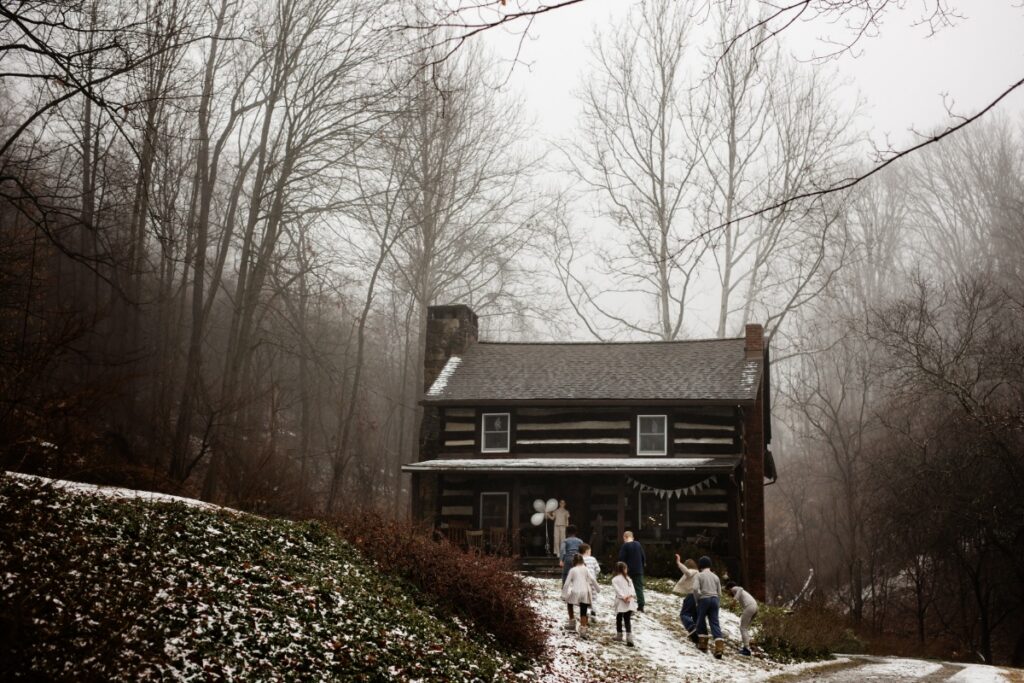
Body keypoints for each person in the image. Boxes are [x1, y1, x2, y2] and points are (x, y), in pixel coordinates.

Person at [562, 553, 600, 638]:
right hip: (585, 591)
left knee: (569, 604)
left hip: (575, 591)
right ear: (582, 561)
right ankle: (583, 630)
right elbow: (593, 579)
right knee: (583, 610)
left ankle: (572, 622)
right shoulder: (586, 569)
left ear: (574, 562)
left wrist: (564, 595)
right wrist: (598, 589)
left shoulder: (572, 570)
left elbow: (567, 583)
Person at [694, 555, 725, 659]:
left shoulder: (699, 575)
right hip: (715, 599)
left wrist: (697, 599)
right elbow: (720, 592)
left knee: (701, 620)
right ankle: (719, 648)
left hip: (704, 599)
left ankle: (703, 644)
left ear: (700, 566)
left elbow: (695, 589)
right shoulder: (715, 577)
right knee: (715, 622)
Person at [725, 579, 758, 656]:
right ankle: (747, 647)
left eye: (728, 591)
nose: (728, 593)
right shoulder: (741, 593)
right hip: (755, 607)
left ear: (730, 588)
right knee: (745, 628)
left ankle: (746, 649)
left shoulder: (734, 588)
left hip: (750, 607)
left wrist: (734, 601)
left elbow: (740, 588)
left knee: (743, 628)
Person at [673, 555, 700, 644]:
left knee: (684, 614)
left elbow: (687, 572)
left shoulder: (692, 571)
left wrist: (678, 563)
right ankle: (698, 636)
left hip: (692, 595)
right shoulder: (699, 574)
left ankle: (691, 627)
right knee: (695, 616)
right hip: (699, 597)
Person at [617, 531, 646, 612]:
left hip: (628, 571)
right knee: (639, 588)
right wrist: (642, 566)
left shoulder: (625, 546)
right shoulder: (638, 544)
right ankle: (641, 605)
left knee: (627, 588)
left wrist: (620, 569)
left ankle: (629, 605)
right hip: (638, 570)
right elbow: (643, 556)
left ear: (625, 537)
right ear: (632, 537)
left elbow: (621, 558)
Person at [612, 561, 637, 647]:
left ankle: (619, 635)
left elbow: (618, 590)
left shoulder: (615, 579)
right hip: (628, 601)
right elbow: (633, 590)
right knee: (627, 619)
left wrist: (624, 597)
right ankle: (629, 637)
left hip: (621, 601)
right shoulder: (628, 579)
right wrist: (629, 596)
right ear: (623, 569)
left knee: (619, 618)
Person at [580, 543, 601, 619]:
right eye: (590, 551)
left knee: (584, 597)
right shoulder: (593, 559)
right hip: (592, 581)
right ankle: (593, 611)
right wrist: (595, 574)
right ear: (587, 551)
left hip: (582, 582)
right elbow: (598, 569)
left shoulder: (579, 559)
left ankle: (585, 611)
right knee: (593, 597)